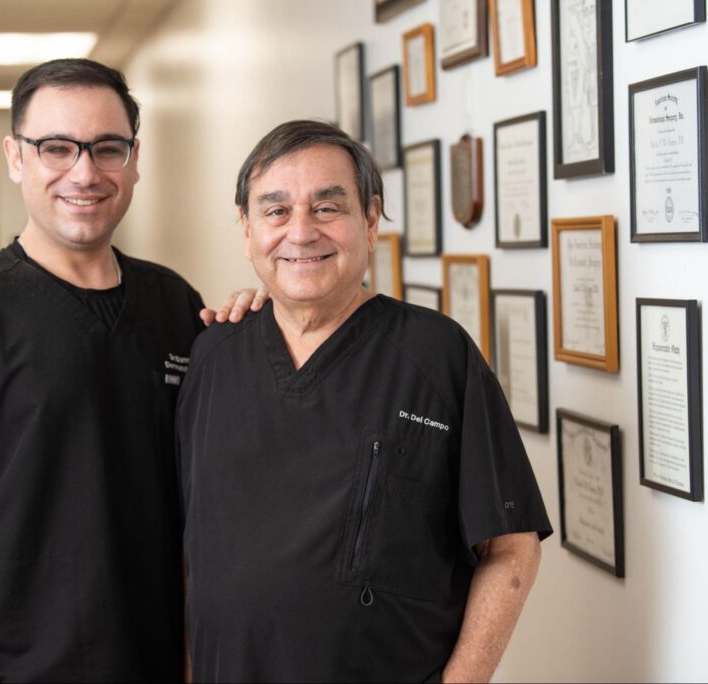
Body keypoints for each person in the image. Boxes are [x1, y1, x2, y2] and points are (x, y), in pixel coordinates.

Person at [0, 58, 263, 683]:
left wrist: (263, 316)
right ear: (16, 157)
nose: (85, 172)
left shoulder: (175, 304)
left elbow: (207, 492)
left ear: (133, 160)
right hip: (15, 669)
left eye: (107, 148)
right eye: (56, 148)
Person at [177, 120, 553, 683]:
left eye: (327, 208)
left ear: (370, 220)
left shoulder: (436, 356)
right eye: (275, 211)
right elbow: (190, 555)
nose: (300, 233)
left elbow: (512, 548)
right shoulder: (211, 357)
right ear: (247, 229)